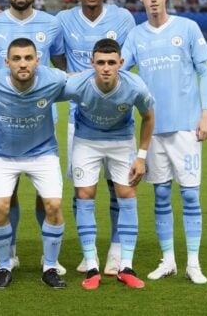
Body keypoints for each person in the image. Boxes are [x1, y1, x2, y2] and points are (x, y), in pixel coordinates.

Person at [122, 0, 207, 285]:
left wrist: (206, 115)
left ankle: (194, 263)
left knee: (190, 197)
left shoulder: (187, 28)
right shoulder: (135, 36)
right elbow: (120, 72)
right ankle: (169, 260)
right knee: (160, 195)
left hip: (187, 128)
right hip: (154, 130)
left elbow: (205, 71)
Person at [0, 0, 66, 274]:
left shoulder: (51, 24)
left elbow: (61, 66)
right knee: (7, 193)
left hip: (42, 118)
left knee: (46, 195)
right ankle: (9, 250)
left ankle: (48, 256)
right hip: (5, 118)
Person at [0, 38, 67, 289]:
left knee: (53, 205)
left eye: (28, 58)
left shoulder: (54, 79)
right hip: (3, 156)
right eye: (17, 59)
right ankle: (4, 267)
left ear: (38, 61)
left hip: (43, 153)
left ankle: (50, 266)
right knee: (0, 207)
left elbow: (85, 84)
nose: (23, 64)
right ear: (6, 61)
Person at [56, 0, 136, 275]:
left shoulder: (124, 18)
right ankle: (88, 252)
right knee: (82, 188)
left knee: (118, 186)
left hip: (117, 116)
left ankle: (116, 250)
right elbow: (58, 59)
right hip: (80, 118)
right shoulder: (64, 20)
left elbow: (126, 61)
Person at [62, 39, 155, 289]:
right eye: (100, 62)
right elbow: (46, 92)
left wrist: (141, 156)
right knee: (84, 194)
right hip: (86, 142)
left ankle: (126, 266)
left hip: (121, 142)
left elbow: (148, 116)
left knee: (127, 194)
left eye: (111, 63)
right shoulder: (77, 84)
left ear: (121, 64)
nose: (105, 68)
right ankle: (91, 267)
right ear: (91, 63)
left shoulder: (135, 86)